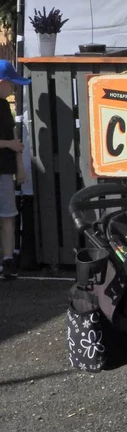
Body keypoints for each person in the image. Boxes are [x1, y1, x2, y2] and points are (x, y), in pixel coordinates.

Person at [0, 61, 29, 280]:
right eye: (11, 84)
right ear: (1, 82)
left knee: (8, 215)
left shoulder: (4, 107)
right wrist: (8, 145)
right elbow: (12, 142)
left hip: (4, 170)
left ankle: (8, 259)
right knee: (6, 216)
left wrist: (19, 168)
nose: (13, 89)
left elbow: (15, 140)